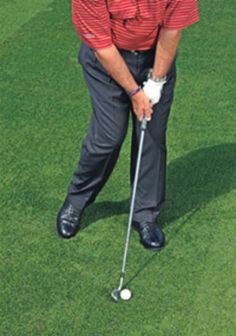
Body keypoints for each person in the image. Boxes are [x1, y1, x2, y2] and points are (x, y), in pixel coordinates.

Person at [56, 0, 199, 250]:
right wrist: (135, 93)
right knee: (108, 136)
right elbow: (101, 47)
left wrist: (156, 80)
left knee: (151, 136)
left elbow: (172, 28)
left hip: (156, 58)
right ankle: (76, 200)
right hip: (106, 61)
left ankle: (145, 214)